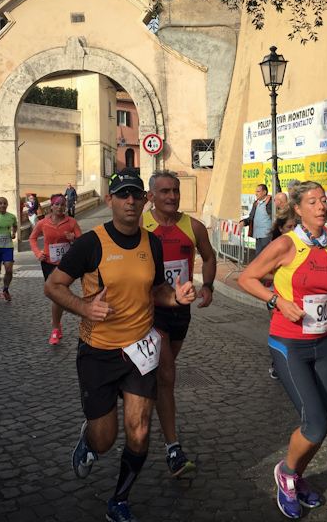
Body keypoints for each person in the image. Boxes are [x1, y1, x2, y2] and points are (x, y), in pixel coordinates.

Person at [44, 168, 196, 522]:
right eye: (123, 195)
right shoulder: (91, 243)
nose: (130, 201)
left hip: (139, 351)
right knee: (105, 439)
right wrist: (83, 307)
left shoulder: (152, 243)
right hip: (98, 352)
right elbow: (53, 285)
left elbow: (156, 291)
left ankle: (120, 499)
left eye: (136, 195)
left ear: (144, 200)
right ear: (109, 200)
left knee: (139, 432)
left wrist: (175, 297)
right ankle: (90, 440)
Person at [238, 181, 327, 519]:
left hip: (323, 344)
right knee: (313, 424)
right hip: (288, 344)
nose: (321, 206)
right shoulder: (287, 244)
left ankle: (296, 476)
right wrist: (277, 301)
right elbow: (247, 278)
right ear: (298, 209)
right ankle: (286, 474)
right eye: (313, 201)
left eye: (324, 200)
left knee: (321, 424)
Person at [141, 170, 216, 477]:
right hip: (151, 310)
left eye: (175, 190)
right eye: (165, 191)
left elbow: (209, 257)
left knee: (158, 376)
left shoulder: (193, 226)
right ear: (151, 196)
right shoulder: (141, 226)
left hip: (180, 310)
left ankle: (132, 394)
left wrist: (208, 285)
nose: (172, 196)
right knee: (167, 373)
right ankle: (173, 447)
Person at [29, 193, 82, 345]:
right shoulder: (43, 223)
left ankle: (55, 328)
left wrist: (73, 239)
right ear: (51, 206)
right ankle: (56, 326)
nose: (60, 207)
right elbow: (32, 238)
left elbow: (82, 241)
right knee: (56, 295)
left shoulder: (71, 222)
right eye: (57, 204)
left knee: (58, 294)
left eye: (62, 204)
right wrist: (38, 253)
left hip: (66, 263)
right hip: (48, 263)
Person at [267, 207, 301, 380]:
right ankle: (278, 365)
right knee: (282, 332)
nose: (293, 230)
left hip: (297, 298)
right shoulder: (276, 247)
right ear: (280, 229)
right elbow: (257, 274)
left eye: (295, 226)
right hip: (278, 297)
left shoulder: (302, 245)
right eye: (289, 227)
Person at [240, 184, 273, 256]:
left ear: (264, 192)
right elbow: (251, 217)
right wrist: (244, 222)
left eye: (258, 191)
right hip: (257, 235)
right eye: (256, 191)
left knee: (266, 257)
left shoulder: (271, 202)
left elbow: (275, 217)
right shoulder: (256, 203)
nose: (256, 193)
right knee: (259, 257)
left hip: (267, 236)